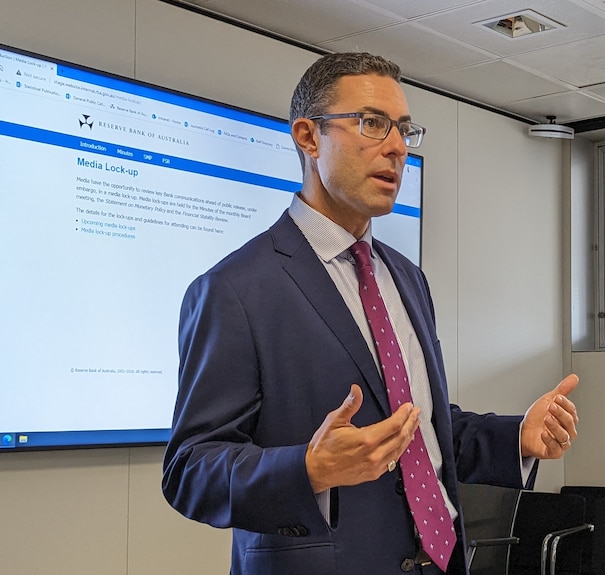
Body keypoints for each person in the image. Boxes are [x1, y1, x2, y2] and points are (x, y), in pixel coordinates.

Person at [162, 51, 579, 575]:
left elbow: (423, 427)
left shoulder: (406, 278)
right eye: (372, 123)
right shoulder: (235, 289)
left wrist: (515, 436)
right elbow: (189, 469)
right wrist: (308, 469)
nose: (398, 147)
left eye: (404, 129)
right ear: (309, 138)